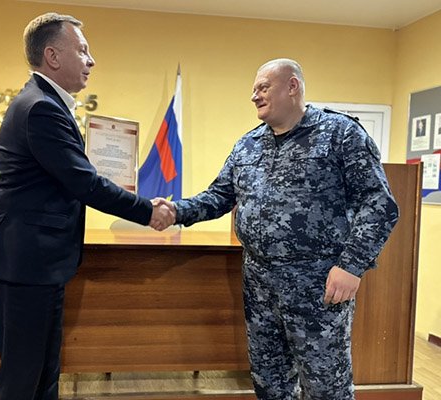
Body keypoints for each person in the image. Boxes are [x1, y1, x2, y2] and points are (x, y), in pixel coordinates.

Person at [157, 58, 399, 399]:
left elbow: (379, 204)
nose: (254, 95)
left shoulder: (340, 134)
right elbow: (219, 196)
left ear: (292, 86)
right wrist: (176, 211)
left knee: (325, 387)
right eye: (254, 89)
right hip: (259, 285)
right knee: (269, 382)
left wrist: (351, 266)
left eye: (263, 87)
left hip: (317, 286)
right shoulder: (248, 145)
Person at [0, 13, 174, 400]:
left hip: (36, 261)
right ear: (52, 56)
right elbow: (84, 183)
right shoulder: (40, 107)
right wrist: (148, 211)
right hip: (25, 261)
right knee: (22, 378)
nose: (91, 60)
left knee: (43, 373)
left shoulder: (46, 102)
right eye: (82, 50)